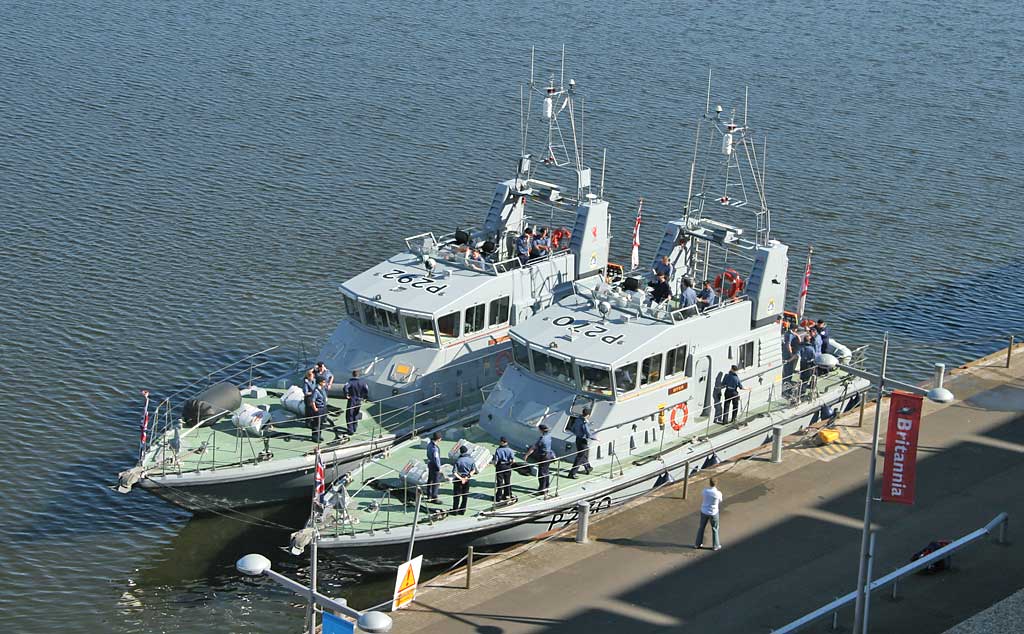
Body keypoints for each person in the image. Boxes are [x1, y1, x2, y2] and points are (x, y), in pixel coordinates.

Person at [524, 424, 555, 495]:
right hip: (549, 455)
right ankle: (547, 487)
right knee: (546, 472)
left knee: (542, 474)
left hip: (543, 457)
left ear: (541, 430)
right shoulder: (549, 436)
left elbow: (533, 448)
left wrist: (526, 455)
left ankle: (542, 490)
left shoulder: (542, 439)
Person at [695, 477, 723, 551]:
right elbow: (720, 500)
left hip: (704, 511)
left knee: (701, 527)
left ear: (709, 483)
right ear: (716, 483)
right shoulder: (718, 493)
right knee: (715, 528)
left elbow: (703, 495)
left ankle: (697, 544)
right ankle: (716, 545)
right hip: (713, 512)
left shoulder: (705, 491)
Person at [567, 407, 596, 478]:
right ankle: (572, 473)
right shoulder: (584, 422)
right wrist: (595, 438)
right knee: (580, 457)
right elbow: (587, 433)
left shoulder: (577, 419)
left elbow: (572, 428)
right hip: (583, 440)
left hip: (578, 439)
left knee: (584, 454)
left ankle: (588, 467)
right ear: (588, 415)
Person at [342, 369, 369, 435]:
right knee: (356, 414)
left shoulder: (350, 382)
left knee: (349, 414)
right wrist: (364, 397)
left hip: (352, 399)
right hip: (359, 400)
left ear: (352, 374)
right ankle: (354, 428)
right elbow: (366, 389)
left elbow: (345, 388)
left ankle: (350, 430)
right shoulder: (363, 382)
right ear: (358, 375)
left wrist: (346, 395)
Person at [451, 445, 477, 515]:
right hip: (467, 479)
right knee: (465, 496)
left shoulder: (458, 460)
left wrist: (461, 478)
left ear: (460, 452)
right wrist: (467, 477)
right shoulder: (471, 460)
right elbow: (473, 470)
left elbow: (454, 472)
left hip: (458, 479)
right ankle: (462, 510)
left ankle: (455, 511)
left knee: (457, 496)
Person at [493, 437, 515, 503]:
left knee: (500, 482)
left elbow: (496, 461)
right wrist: (509, 464)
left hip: (500, 466)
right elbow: (513, 460)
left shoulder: (498, 450)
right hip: (508, 466)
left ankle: (498, 497)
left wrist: (495, 465)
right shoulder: (510, 450)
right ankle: (508, 494)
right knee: (507, 481)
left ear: (501, 442)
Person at [781, 323, 799, 397]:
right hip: (788, 355)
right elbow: (788, 345)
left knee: (788, 369)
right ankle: (786, 386)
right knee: (788, 370)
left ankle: (786, 383)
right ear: (794, 328)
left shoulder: (788, 333)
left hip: (786, 354)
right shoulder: (789, 335)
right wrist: (791, 354)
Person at [426, 431, 443, 503]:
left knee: (430, 480)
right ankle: (434, 497)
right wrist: (439, 468)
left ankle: (428, 495)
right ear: (439, 439)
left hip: (430, 463)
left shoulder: (429, 445)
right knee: (436, 482)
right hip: (434, 466)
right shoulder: (435, 449)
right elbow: (436, 459)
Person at [310, 377, 329, 443]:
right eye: (323, 382)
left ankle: (319, 435)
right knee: (316, 424)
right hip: (319, 409)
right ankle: (315, 437)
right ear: (320, 382)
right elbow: (312, 401)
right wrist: (315, 409)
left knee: (321, 424)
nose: (325, 383)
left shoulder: (323, 389)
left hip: (323, 408)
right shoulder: (316, 391)